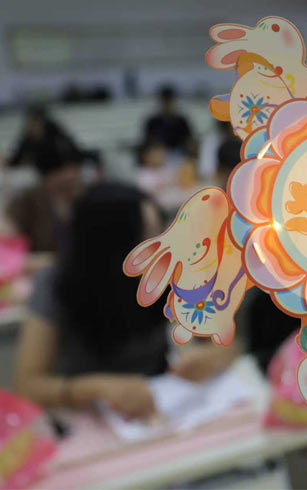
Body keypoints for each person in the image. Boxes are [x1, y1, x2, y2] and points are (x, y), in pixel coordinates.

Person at [13, 183, 238, 419]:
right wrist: (96, 388)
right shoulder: (56, 285)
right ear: (107, 249)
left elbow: (225, 342)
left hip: (157, 403)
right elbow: (27, 386)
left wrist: (212, 357)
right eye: (144, 238)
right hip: (87, 413)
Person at [5, 144, 85, 252]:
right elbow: (8, 231)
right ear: (47, 176)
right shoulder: (31, 198)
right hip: (43, 258)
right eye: (63, 170)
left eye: (75, 169)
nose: (71, 175)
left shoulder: (87, 197)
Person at [7, 106, 83, 170]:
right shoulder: (28, 138)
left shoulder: (56, 136)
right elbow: (16, 159)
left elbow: (75, 155)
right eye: (29, 123)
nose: (31, 127)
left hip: (61, 170)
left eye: (35, 122)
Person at [143, 85, 193, 154]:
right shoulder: (153, 123)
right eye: (165, 102)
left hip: (180, 155)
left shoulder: (182, 122)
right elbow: (148, 144)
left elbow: (189, 142)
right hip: (158, 156)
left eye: (170, 101)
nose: (168, 105)